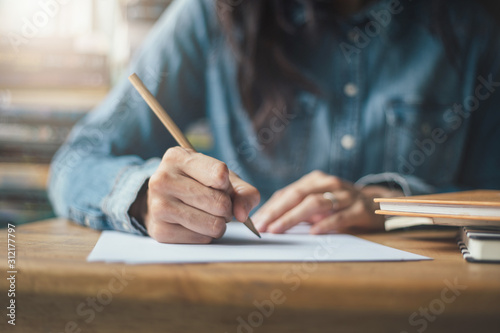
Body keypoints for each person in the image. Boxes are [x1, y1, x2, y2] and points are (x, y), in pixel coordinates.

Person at [48, 0, 500, 243]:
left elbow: (492, 202)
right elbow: (78, 157)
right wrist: (145, 196)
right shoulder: (213, 14)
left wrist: (392, 207)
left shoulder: (476, 26)